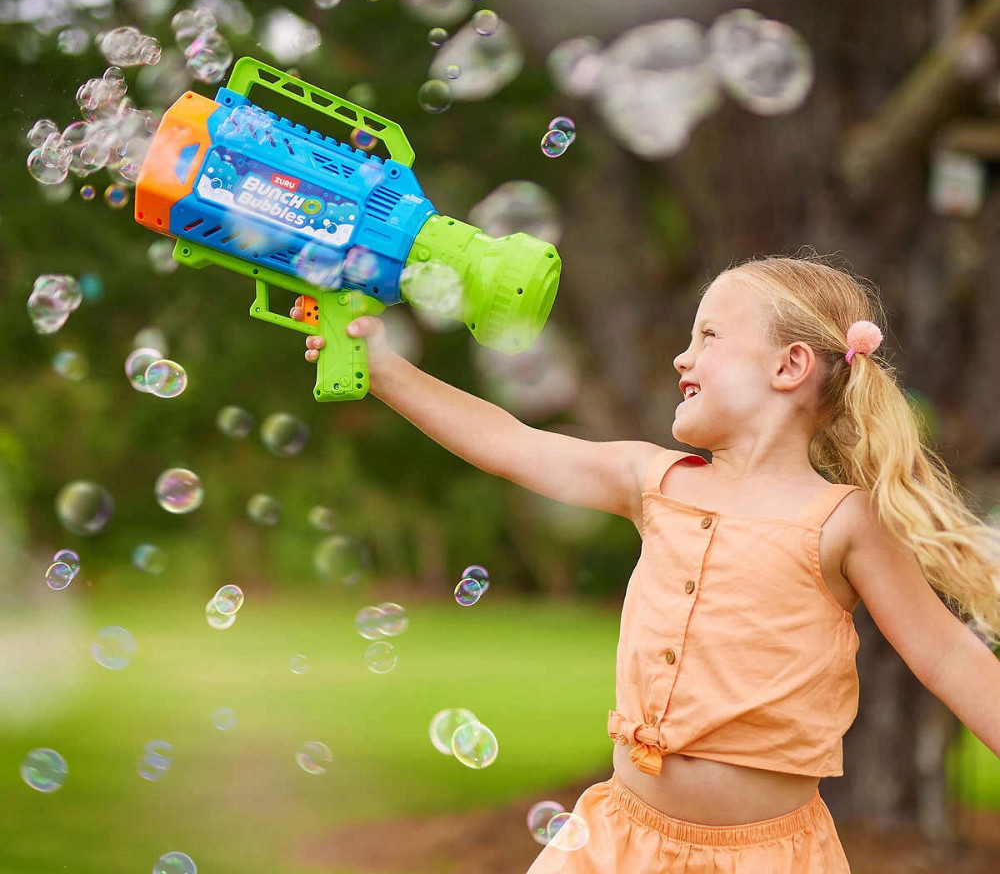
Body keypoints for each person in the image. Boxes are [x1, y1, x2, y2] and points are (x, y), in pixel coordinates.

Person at [294, 251, 1000, 873]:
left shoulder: (844, 519)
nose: (680, 358)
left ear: (790, 367)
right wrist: (384, 369)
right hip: (616, 838)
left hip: (764, 857)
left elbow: (947, 658)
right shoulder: (652, 480)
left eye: (708, 337)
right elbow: (510, 442)